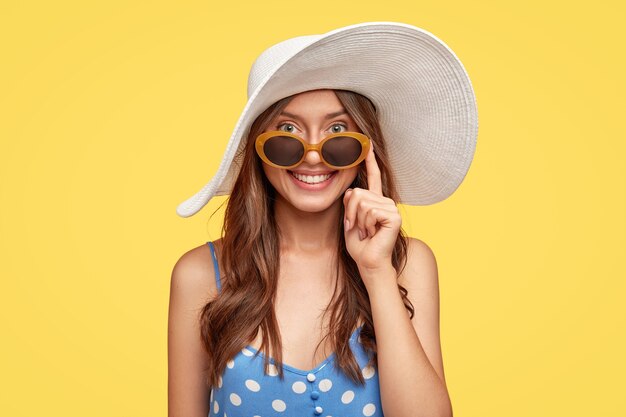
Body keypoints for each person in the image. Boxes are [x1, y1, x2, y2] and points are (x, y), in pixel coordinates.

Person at [168, 22, 478, 417]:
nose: (312, 155)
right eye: (287, 130)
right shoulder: (199, 275)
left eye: (337, 130)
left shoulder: (407, 265)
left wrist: (376, 271)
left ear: (367, 150)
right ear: (258, 149)